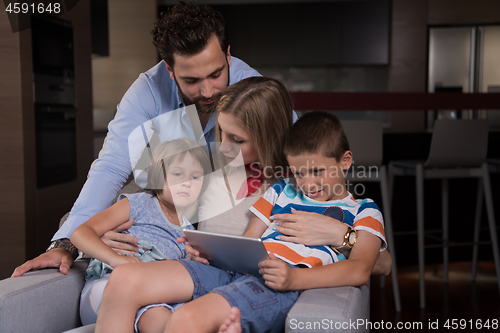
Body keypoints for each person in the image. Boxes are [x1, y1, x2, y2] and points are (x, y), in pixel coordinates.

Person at [12, 1, 263, 277]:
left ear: (228, 55)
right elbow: (111, 167)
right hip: (167, 200)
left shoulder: (255, 89)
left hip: (227, 198)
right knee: (80, 224)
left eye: (216, 74)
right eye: (191, 80)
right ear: (170, 69)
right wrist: (66, 243)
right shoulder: (148, 91)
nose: (207, 91)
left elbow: (298, 154)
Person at [94, 111, 387, 333]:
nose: (307, 183)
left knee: (187, 318)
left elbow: (361, 269)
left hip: (275, 284)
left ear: (345, 161)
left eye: (317, 171)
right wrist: (210, 251)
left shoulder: (363, 209)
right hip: (235, 270)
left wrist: (294, 278)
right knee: (124, 279)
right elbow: (248, 240)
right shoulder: (282, 190)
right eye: (299, 173)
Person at [70, 138, 211, 325]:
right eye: (178, 174)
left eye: (195, 177)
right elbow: (80, 233)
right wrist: (116, 259)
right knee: (157, 317)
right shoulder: (138, 203)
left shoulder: (190, 230)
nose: (186, 183)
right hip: (109, 286)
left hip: (155, 296)